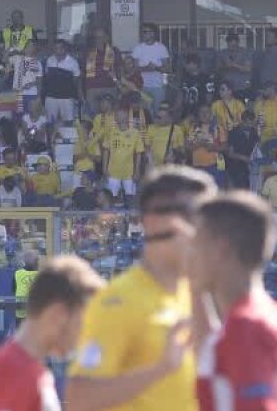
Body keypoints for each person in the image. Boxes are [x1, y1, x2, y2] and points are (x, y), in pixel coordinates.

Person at [66, 165, 216, 411]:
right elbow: (79, 398)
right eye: (194, 216)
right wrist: (160, 369)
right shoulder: (118, 301)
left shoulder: (191, 293)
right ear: (154, 222)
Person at [0, 256, 105, 411]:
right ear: (58, 314)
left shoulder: (24, 369)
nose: (82, 337)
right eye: (80, 324)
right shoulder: (15, 374)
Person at [190, 191, 277, 411]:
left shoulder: (244, 328)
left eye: (196, 244)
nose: (189, 256)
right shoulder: (261, 315)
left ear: (220, 249)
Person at [102, 108, 145, 204]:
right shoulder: (110, 132)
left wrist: (137, 171)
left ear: (126, 117)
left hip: (129, 173)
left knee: (131, 199)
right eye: (117, 115)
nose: (118, 117)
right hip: (112, 172)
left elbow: (139, 154)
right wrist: (104, 168)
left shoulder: (135, 133)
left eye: (121, 115)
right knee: (111, 198)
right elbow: (106, 151)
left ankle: (130, 219)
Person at [133, 24, 171, 116]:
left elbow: (168, 68)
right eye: (143, 32)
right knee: (145, 114)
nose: (144, 34)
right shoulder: (138, 48)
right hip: (143, 86)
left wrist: (156, 68)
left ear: (153, 33)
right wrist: (147, 68)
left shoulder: (161, 48)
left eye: (147, 31)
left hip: (158, 86)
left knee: (160, 113)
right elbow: (134, 68)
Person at [83, 27, 121, 116]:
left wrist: (119, 86)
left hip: (110, 87)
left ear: (106, 38)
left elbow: (119, 70)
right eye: (96, 37)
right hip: (92, 88)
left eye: (101, 37)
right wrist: (82, 91)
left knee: (111, 115)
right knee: (92, 116)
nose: (99, 40)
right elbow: (82, 72)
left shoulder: (114, 51)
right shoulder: (88, 51)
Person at [43, 40, 82, 124]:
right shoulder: (50, 60)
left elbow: (76, 80)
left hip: (67, 98)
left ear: (65, 49)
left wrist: (78, 95)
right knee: (50, 122)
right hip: (51, 97)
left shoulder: (73, 62)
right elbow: (47, 77)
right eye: (56, 48)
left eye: (61, 48)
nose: (58, 50)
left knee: (68, 122)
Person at [145, 103, 187, 171]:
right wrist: (149, 164)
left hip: (171, 168)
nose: (157, 119)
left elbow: (182, 151)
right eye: (156, 116)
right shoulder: (151, 128)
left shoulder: (177, 130)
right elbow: (147, 148)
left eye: (160, 117)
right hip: (153, 168)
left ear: (168, 118)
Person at [225, 110, 259, 191]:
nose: (250, 126)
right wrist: (244, 158)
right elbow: (230, 154)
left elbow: (256, 147)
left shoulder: (253, 131)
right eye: (248, 123)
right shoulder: (233, 133)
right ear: (242, 121)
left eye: (252, 123)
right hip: (236, 168)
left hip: (249, 168)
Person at [217, 33, 253, 98]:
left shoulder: (245, 52)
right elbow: (218, 68)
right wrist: (225, 66)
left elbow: (248, 69)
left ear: (238, 43)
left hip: (242, 87)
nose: (232, 48)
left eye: (234, 46)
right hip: (227, 88)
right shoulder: (223, 52)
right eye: (229, 45)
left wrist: (234, 65)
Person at [14, 251, 41, 326]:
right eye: (37, 261)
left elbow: (13, 290)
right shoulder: (40, 275)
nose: (38, 263)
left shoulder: (17, 273)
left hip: (20, 312)